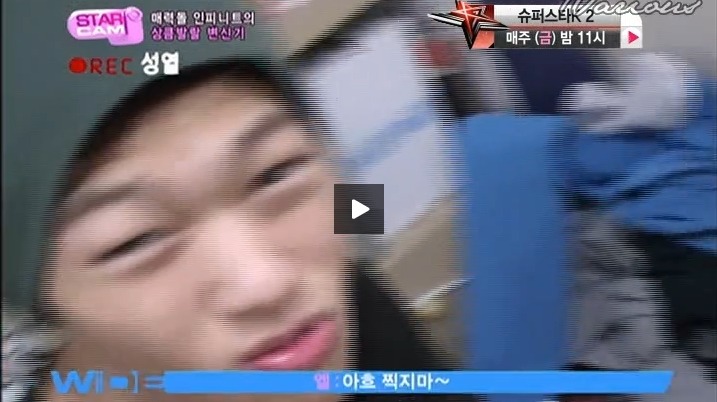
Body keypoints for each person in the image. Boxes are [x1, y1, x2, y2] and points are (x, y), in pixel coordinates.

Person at [1, 56, 477, 402]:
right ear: (41, 308)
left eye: (275, 173)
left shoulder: (342, 314)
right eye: (134, 240)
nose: (266, 283)